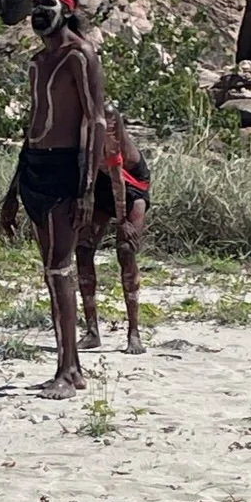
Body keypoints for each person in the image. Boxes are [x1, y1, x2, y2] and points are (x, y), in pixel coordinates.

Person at [0, 0, 106, 398]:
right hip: (36, 169)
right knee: (52, 272)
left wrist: (86, 188)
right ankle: (69, 366)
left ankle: (69, 369)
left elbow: (94, 121)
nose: (38, 13)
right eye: (34, 6)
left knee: (61, 269)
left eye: (46, 5)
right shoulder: (37, 62)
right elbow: (33, 127)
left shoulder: (80, 56)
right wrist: (13, 189)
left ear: (65, 9)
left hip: (67, 170)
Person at [77, 101, 150, 354]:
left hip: (130, 190)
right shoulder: (85, 135)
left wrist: (123, 221)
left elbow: (119, 184)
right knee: (84, 249)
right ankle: (92, 331)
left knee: (126, 249)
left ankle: (134, 332)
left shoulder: (113, 143)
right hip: (101, 189)